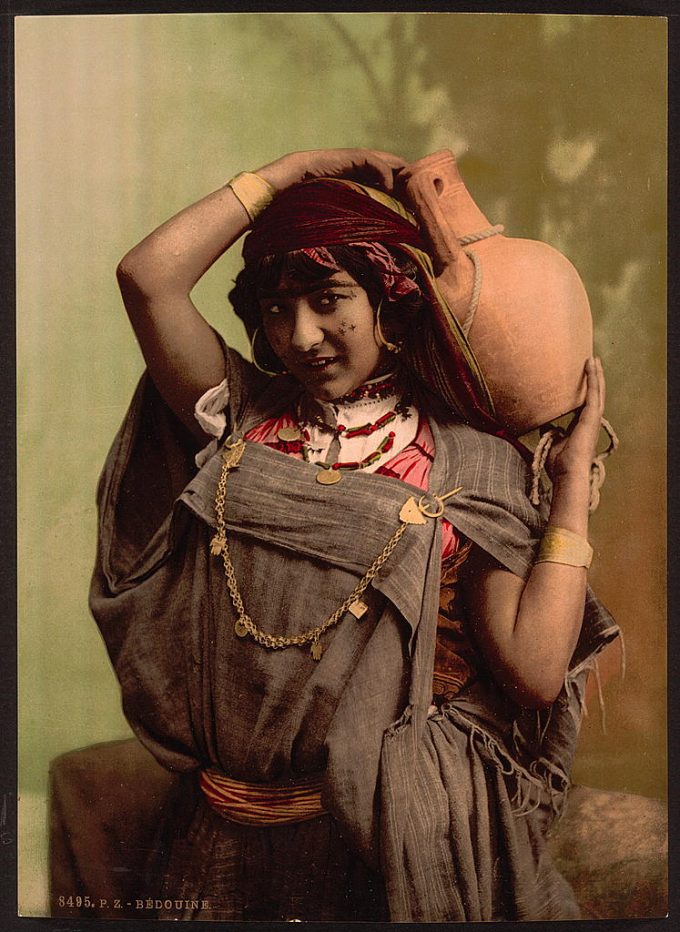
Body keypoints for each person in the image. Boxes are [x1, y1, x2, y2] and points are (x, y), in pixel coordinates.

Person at [90, 148, 619, 921]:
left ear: (391, 301)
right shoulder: (242, 418)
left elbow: (536, 673)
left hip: (385, 840)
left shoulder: (466, 461)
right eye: (276, 309)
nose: (300, 336)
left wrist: (570, 493)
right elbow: (147, 277)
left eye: (329, 298)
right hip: (221, 833)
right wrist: (297, 169)